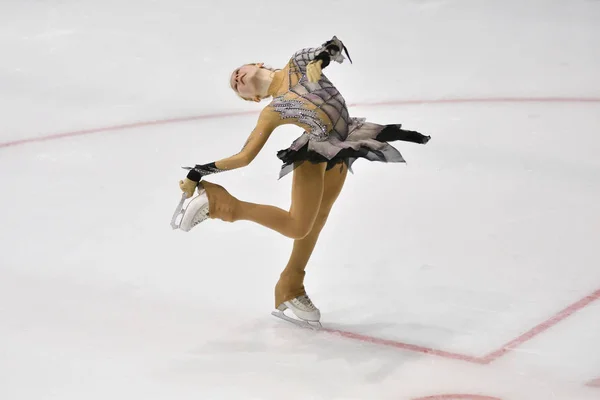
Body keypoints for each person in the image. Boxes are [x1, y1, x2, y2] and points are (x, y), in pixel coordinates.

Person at [176, 36, 430, 325]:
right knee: (298, 226)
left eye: (238, 73)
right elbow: (245, 156)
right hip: (315, 152)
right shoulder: (272, 111)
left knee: (318, 219)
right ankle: (222, 204)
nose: (236, 79)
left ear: (258, 64)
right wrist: (197, 173)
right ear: (254, 99)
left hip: (344, 144)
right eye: (237, 88)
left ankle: (291, 285)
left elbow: (331, 47)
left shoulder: (298, 61)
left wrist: (319, 63)